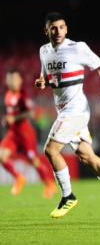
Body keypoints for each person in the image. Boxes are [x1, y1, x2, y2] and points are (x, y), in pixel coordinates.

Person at [34, 12, 100, 219]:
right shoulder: (44, 51)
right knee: (86, 156)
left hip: (76, 110)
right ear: (46, 30)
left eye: (62, 27)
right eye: (53, 28)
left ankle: (68, 196)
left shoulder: (77, 48)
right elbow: (47, 77)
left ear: (66, 29)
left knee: (51, 150)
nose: (58, 31)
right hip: (64, 111)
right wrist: (42, 81)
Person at [0, 69, 56, 198]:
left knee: (33, 160)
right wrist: (8, 119)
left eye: (14, 79)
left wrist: (14, 118)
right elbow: (11, 113)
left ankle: (49, 184)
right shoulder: (8, 95)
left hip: (25, 134)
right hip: (13, 133)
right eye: (9, 79)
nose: (11, 82)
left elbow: (30, 113)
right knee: (2, 156)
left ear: (20, 81)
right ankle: (19, 178)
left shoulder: (23, 96)